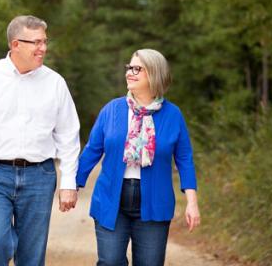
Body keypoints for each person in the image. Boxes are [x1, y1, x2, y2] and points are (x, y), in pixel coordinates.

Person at [0, 15, 81, 266]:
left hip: (39, 177)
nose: (42, 48)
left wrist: (68, 182)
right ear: (15, 44)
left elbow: (68, 136)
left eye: (44, 41)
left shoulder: (55, 83)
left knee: (31, 257)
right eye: (35, 42)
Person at [76, 48, 200, 266]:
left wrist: (192, 202)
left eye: (137, 69)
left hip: (154, 202)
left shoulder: (173, 115)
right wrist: (72, 185)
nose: (129, 73)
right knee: (110, 262)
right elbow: (92, 151)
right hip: (111, 198)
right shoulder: (112, 110)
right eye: (129, 68)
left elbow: (184, 160)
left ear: (154, 74)